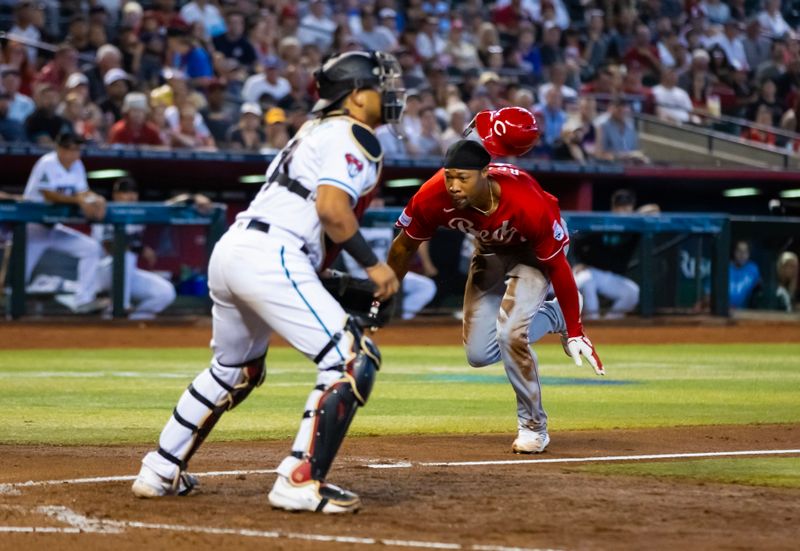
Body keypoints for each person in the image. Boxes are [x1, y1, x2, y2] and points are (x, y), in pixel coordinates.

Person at [132, 51, 405, 514]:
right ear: (357, 96)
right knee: (350, 359)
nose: (390, 93)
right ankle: (300, 480)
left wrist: (327, 277)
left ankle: (160, 467)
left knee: (234, 370)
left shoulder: (312, 130)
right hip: (272, 253)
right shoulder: (352, 133)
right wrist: (374, 267)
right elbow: (331, 210)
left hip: (237, 248)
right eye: (380, 85)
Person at [387, 122, 604, 456]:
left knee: (510, 335)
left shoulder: (526, 202)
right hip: (489, 250)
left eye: (463, 178)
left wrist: (576, 331)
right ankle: (554, 313)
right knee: (479, 354)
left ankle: (533, 427)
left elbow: (558, 265)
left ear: (485, 173)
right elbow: (403, 246)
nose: (454, 186)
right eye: (449, 177)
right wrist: (385, 290)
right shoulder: (432, 196)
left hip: (535, 256)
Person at [22, 130, 107, 314]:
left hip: (53, 228)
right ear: (59, 148)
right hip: (31, 227)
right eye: (70, 149)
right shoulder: (47, 163)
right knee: (17, 280)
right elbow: (49, 194)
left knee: (91, 248)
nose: (74, 154)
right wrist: (79, 200)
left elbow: (82, 192)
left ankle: (83, 300)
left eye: (77, 149)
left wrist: (96, 198)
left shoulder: (77, 165)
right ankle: (10, 313)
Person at [91, 178, 180, 320]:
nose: (130, 196)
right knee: (126, 256)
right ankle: (119, 307)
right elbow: (109, 247)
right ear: (115, 195)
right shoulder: (104, 212)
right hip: (102, 272)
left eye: (133, 192)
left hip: (127, 273)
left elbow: (167, 206)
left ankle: (134, 319)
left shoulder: (138, 215)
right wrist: (140, 249)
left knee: (166, 292)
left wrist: (190, 197)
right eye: (125, 192)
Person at [572, 189, 645, 320]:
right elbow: (577, 241)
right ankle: (592, 322)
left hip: (611, 277)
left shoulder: (635, 226)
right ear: (614, 207)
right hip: (591, 272)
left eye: (626, 207)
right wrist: (578, 262)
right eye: (620, 207)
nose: (623, 210)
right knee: (587, 282)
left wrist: (636, 215)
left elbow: (654, 209)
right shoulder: (603, 222)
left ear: (631, 207)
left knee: (632, 292)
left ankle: (609, 322)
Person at [341, 226, 437, 320]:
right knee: (376, 294)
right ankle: (367, 318)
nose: (377, 208)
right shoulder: (353, 223)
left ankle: (400, 319)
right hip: (360, 275)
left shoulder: (386, 224)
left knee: (426, 286)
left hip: (386, 272)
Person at [729, 240, 761, 309]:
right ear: (733, 252)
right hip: (724, 312)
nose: (742, 255)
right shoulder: (724, 267)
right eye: (739, 251)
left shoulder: (753, 269)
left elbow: (759, 290)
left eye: (745, 252)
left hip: (744, 313)